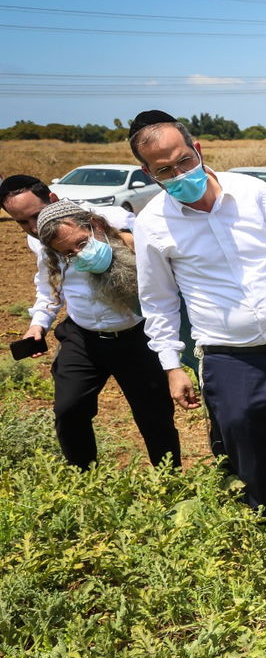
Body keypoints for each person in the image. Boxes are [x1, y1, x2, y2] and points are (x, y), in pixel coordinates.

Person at [130, 110, 266, 539]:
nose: (180, 173)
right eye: (165, 170)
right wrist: (171, 365)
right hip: (230, 361)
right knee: (251, 463)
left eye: (184, 161)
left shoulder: (252, 193)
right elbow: (159, 303)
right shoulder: (152, 224)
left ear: (198, 150)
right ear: (148, 174)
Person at [4, 188, 179, 470]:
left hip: (135, 337)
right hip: (83, 338)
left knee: (155, 415)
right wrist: (38, 326)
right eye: (23, 222)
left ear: (93, 226)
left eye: (82, 244)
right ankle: (84, 477)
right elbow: (48, 291)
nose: (34, 227)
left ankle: (170, 479)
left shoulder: (119, 229)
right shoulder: (48, 246)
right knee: (69, 409)